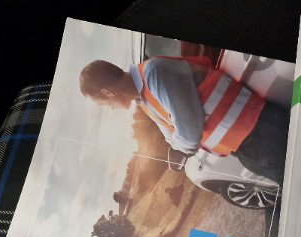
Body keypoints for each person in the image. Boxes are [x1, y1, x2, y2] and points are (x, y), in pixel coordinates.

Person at [80, 56, 289, 185]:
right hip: (245, 148)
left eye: (103, 104)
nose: (110, 108)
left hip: (260, 131)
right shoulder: (144, 101)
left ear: (108, 92)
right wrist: (178, 145)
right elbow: (171, 137)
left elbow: (188, 135)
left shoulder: (154, 74)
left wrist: (180, 148)